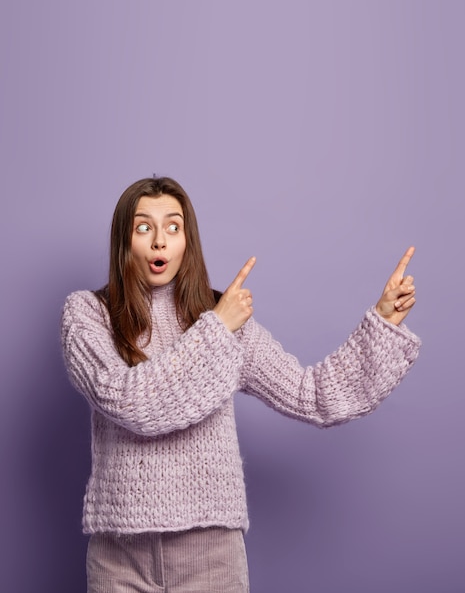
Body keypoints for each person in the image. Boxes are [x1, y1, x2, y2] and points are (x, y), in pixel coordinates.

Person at [61, 176, 421, 593]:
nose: (160, 240)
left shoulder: (224, 319)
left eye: (173, 227)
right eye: (144, 227)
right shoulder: (90, 314)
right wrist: (216, 328)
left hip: (212, 557)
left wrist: (382, 323)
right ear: (124, 240)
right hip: (118, 558)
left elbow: (313, 395)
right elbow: (129, 402)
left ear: (187, 241)